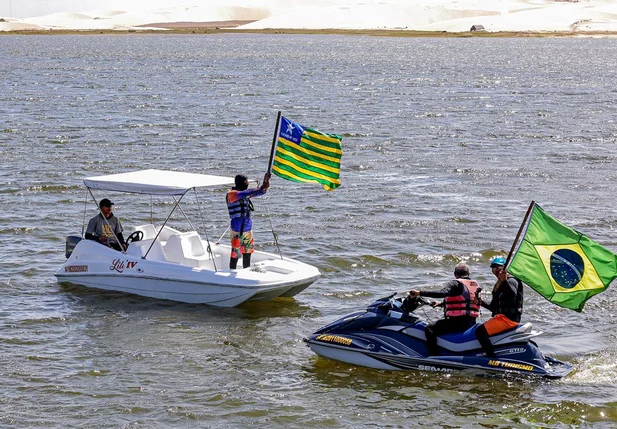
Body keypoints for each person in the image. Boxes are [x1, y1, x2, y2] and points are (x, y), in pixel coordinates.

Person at [409, 262, 481, 356]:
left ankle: (433, 356)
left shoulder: (455, 283)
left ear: (455, 274)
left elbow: (442, 293)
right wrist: (441, 304)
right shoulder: (474, 285)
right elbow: (466, 300)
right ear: (469, 274)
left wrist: (419, 293)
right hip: (471, 322)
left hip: (458, 322)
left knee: (430, 328)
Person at [475, 257, 524, 357]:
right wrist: (481, 302)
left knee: (480, 332)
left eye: (498, 268)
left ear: (504, 268)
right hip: (501, 318)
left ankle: (491, 357)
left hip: (509, 319)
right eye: (493, 269)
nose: (496, 271)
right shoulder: (499, 285)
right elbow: (493, 308)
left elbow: (512, 295)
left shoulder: (511, 280)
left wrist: (505, 281)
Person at [226, 173, 271, 269]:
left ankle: (246, 271)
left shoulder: (245, 194)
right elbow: (244, 194)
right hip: (236, 230)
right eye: (245, 183)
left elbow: (261, 192)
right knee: (236, 254)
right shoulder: (231, 194)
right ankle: (232, 272)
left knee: (247, 252)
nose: (246, 185)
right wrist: (260, 187)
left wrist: (266, 182)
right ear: (239, 183)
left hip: (247, 229)